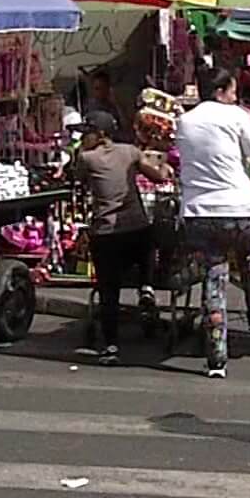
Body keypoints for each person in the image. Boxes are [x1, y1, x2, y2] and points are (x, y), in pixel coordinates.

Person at [176, 69, 250, 378]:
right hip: (238, 208)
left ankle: (217, 356)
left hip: (198, 212)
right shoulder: (236, 116)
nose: (235, 96)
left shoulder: (184, 120)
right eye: (232, 91)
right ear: (221, 91)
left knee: (215, 275)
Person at [75, 110, 173, 364]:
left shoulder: (86, 158)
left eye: (88, 133)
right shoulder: (130, 152)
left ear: (101, 134)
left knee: (109, 292)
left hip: (106, 234)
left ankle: (110, 346)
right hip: (136, 230)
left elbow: (78, 181)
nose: (83, 138)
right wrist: (165, 163)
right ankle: (146, 286)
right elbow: (159, 177)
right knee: (149, 243)